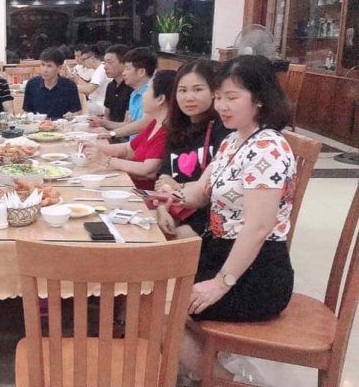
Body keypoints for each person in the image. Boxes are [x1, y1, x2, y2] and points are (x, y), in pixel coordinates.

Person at [169, 56, 296, 382]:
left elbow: (258, 227)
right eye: (218, 97)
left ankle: (225, 381)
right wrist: (170, 195)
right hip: (219, 254)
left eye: (232, 97)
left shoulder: (267, 148)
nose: (221, 106)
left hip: (255, 273)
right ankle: (209, 367)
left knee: (159, 305)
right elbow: (200, 192)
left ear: (260, 99)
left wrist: (221, 283)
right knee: (152, 286)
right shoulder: (232, 140)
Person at [155, 60, 231, 239]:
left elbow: (214, 187)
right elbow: (164, 179)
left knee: (159, 243)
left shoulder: (223, 129)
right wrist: (162, 211)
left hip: (209, 216)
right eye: (182, 90)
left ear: (214, 92)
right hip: (176, 208)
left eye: (197, 89)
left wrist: (177, 186)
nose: (189, 97)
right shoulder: (176, 129)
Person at [82, 70, 176, 190]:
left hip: (141, 193)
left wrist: (106, 160)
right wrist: (94, 147)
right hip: (128, 184)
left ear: (160, 99)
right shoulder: (154, 124)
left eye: (148, 90)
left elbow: (147, 170)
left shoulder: (166, 131)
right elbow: (128, 149)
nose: (143, 95)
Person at [99, 47, 158, 140]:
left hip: (140, 146)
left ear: (141, 72)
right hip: (131, 144)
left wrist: (110, 134)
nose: (124, 73)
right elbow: (129, 124)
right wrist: (102, 125)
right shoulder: (134, 93)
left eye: (127, 69)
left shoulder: (153, 93)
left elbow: (144, 124)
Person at [22, 47, 82, 120]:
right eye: (42, 65)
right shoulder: (32, 84)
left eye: (49, 66)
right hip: (37, 124)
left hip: (62, 124)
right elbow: (27, 111)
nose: (45, 70)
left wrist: (72, 115)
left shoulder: (70, 86)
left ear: (59, 68)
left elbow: (77, 111)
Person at [89, 44, 133, 130]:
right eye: (104, 62)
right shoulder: (111, 86)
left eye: (109, 63)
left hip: (123, 134)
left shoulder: (132, 87)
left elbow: (127, 125)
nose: (105, 67)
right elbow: (107, 116)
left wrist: (102, 124)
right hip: (111, 133)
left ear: (124, 64)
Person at [71, 45, 111, 116]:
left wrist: (70, 88)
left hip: (99, 104)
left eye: (84, 59)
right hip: (95, 103)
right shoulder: (99, 69)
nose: (82, 62)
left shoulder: (100, 70)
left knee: (71, 109)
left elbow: (89, 89)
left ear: (92, 58)